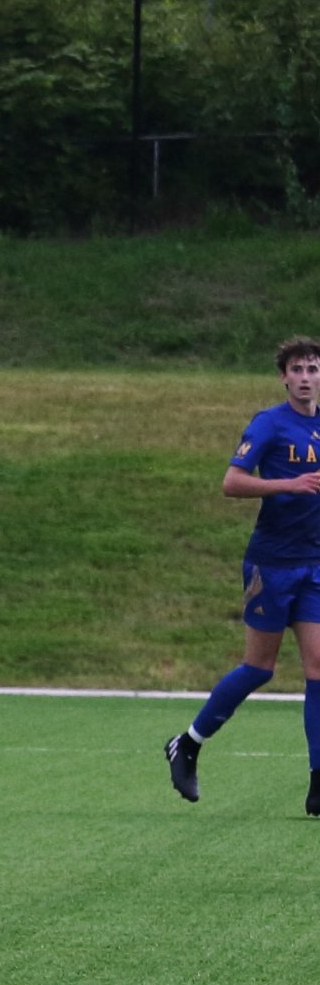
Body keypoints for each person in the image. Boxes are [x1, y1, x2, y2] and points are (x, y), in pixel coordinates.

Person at [166, 336, 320, 816]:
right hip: (270, 565)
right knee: (260, 668)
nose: (305, 377)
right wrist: (288, 484)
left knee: (319, 671)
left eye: (313, 368)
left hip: (315, 566)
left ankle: (319, 784)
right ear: (283, 376)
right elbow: (232, 482)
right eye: (297, 369)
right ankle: (188, 743)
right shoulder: (269, 424)